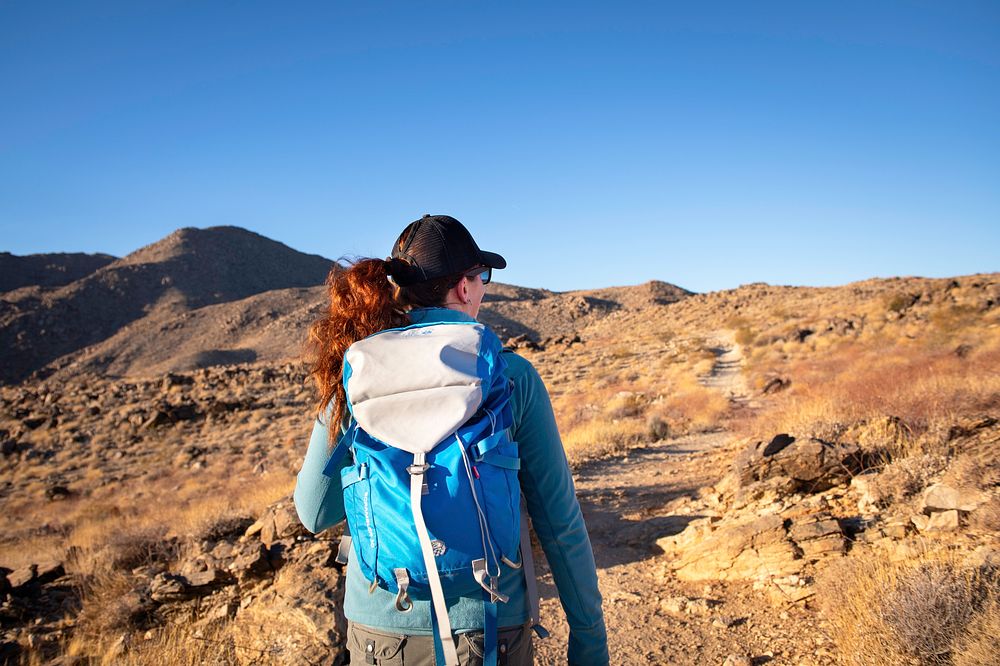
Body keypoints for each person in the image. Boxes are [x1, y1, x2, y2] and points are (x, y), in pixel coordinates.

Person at [293, 214, 608, 665]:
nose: (482, 289)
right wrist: (589, 642)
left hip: (380, 631)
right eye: (482, 277)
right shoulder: (511, 376)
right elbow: (559, 523)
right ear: (463, 287)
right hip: (490, 628)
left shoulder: (356, 372)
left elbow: (314, 512)